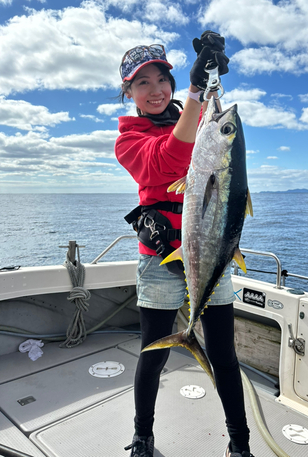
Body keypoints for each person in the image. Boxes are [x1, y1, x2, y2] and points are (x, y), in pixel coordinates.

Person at [115, 32, 254, 457]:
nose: (155, 90)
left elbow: (216, 159)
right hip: (159, 264)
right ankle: (143, 436)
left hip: (212, 258)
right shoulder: (127, 140)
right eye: (143, 83)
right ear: (129, 93)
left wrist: (207, 84)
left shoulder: (198, 121)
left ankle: (240, 443)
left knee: (225, 357)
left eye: (162, 80)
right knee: (152, 356)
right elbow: (169, 160)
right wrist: (197, 91)